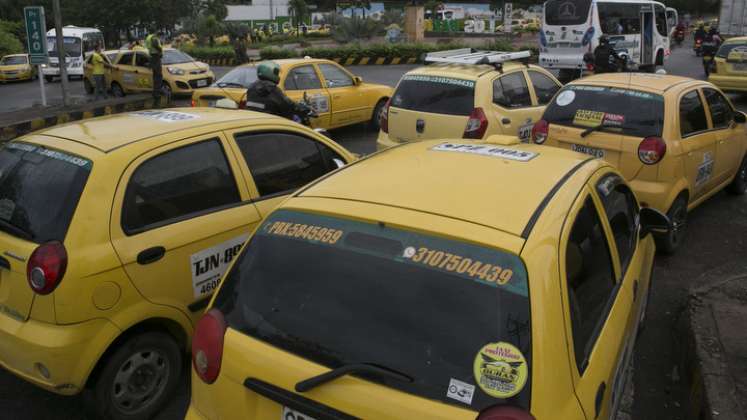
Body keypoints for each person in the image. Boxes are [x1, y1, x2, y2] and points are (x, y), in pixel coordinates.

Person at [146, 30, 164, 100]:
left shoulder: (149, 37)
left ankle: (156, 92)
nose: (161, 38)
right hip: (156, 56)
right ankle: (157, 93)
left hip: (152, 56)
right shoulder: (154, 37)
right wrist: (160, 50)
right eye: (161, 36)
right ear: (159, 35)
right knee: (158, 75)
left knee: (155, 75)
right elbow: (155, 44)